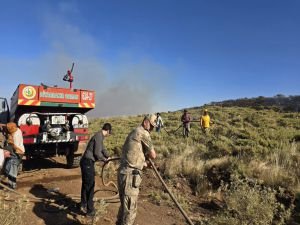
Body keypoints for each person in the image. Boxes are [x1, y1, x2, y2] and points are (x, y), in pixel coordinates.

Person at [116, 114, 157, 225]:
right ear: (145, 122)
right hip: (130, 176)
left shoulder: (134, 132)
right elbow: (153, 155)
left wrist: (144, 164)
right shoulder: (143, 132)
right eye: (151, 126)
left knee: (125, 207)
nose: (152, 129)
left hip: (124, 173)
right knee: (130, 210)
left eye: (153, 127)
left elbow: (133, 156)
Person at [80, 123, 112, 217]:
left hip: (87, 163)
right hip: (87, 163)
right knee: (90, 186)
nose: (109, 135)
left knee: (86, 184)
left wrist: (108, 156)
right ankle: (90, 211)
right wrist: (105, 159)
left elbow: (103, 149)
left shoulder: (99, 136)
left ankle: (83, 204)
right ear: (108, 131)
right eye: (109, 133)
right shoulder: (99, 136)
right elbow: (97, 153)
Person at [4, 122, 25, 189]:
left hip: (17, 153)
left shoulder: (15, 137)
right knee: (8, 168)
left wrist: (10, 143)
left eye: (8, 129)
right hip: (16, 153)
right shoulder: (17, 129)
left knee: (12, 170)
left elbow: (15, 147)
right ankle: (11, 183)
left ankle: (12, 185)